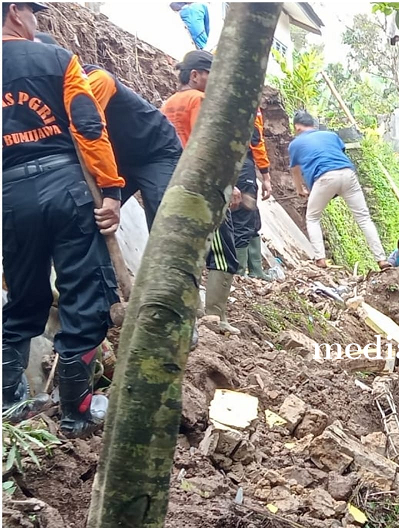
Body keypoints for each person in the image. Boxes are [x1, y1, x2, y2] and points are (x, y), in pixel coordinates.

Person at [3, 2, 125, 437]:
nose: (38, 20)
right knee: (85, 294)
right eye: (33, 11)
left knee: (22, 299)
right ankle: (76, 413)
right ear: (15, 12)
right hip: (65, 186)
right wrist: (110, 189)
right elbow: (89, 127)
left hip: (9, 196)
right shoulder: (57, 58)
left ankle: (10, 406)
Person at [34, 33, 183, 230]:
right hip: (115, 159)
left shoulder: (96, 80)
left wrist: (110, 190)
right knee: (93, 217)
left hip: (155, 152)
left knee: (164, 220)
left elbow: (85, 129)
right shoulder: (49, 96)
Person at [161, 49, 241, 335]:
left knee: (186, 251)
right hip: (204, 189)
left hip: (174, 186)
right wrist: (226, 184)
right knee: (221, 252)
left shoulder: (167, 103)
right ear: (194, 75)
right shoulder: (199, 100)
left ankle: (191, 310)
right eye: (210, 74)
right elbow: (209, 148)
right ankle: (215, 316)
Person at [288, 110, 391, 270]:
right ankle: (382, 259)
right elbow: (338, 153)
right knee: (364, 218)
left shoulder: (295, 144)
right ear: (312, 125)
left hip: (324, 177)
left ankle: (320, 259)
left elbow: (295, 170)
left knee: (313, 218)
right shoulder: (330, 135)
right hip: (348, 174)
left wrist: (300, 188)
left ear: (297, 127)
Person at [232, 109, 272, 279]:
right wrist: (266, 175)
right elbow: (256, 142)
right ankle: (240, 272)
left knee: (252, 214)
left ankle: (255, 269)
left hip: (230, 163)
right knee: (244, 215)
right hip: (241, 163)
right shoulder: (249, 106)